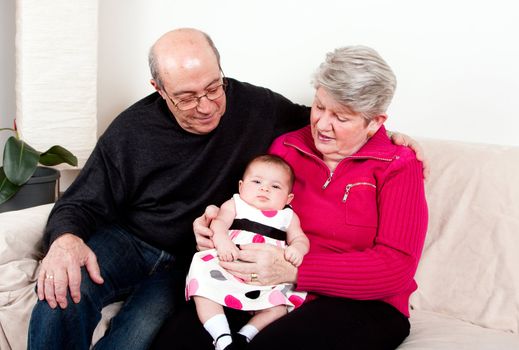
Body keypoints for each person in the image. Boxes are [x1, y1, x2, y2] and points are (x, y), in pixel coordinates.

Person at [27, 27, 424, 350]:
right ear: (158, 89)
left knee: (143, 335)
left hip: (223, 266)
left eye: (213, 88)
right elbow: (82, 200)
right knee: (63, 291)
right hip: (145, 244)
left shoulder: (262, 110)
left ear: (222, 72)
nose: (205, 106)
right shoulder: (135, 131)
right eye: (185, 97)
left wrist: (387, 137)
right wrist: (65, 239)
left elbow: (333, 124)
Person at [154, 45, 428, 350]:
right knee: (177, 340)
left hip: (363, 303)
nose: (323, 125)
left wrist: (297, 271)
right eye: (320, 106)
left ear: (375, 122)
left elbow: (395, 268)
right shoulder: (287, 147)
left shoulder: (398, 165)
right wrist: (214, 229)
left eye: (341, 117)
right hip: (269, 285)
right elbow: (250, 210)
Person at [187, 154, 309, 350]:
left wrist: (297, 249)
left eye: (275, 186)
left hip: (267, 277)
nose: (264, 188)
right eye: (257, 181)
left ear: (289, 198)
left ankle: (247, 334)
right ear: (241, 186)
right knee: (201, 286)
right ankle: (221, 336)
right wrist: (222, 239)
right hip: (228, 263)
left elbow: (300, 238)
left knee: (280, 306)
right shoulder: (235, 204)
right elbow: (219, 224)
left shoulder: (288, 216)